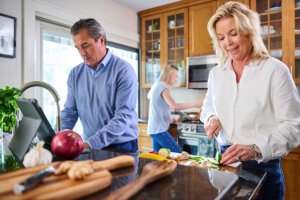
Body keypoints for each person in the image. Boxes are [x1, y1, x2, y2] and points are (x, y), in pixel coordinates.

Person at [200, 2, 300, 199]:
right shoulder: (216, 74)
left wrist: (255, 149)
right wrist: (211, 117)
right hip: (224, 164)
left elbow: (293, 127)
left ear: (249, 32)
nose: (227, 42)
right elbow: (207, 106)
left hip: (263, 168)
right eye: (221, 37)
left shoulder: (275, 70)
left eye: (233, 33)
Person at [60, 18, 139, 151]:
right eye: (77, 48)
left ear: (101, 40)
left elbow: (123, 116)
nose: (82, 53)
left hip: (122, 146)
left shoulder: (124, 71)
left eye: (85, 45)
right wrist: (59, 135)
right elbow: (70, 112)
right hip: (90, 145)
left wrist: (90, 144)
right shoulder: (75, 74)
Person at [147, 65, 202, 153]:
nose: (176, 79)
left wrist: (171, 118)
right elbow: (174, 106)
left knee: (159, 159)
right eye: (176, 76)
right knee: (178, 155)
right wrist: (195, 104)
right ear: (169, 75)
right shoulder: (162, 87)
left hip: (155, 130)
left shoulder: (158, 86)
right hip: (159, 130)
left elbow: (159, 108)